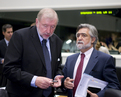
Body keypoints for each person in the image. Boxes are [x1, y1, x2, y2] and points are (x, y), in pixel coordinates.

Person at [3, 8, 64, 97]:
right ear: (37, 22)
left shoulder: (57, 41)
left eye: (52, 26)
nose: (48, 31)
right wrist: (34, 80)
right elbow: (9, 69)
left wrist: (57, 76)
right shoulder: (20, 36)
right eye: (45, 25)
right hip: (23, 94)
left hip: (48, 94)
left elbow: (57, 66)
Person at [62, 24, 121, 97]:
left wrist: (98, 95)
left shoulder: (104, 59)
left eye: (84, 35)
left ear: (93, 39)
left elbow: (114, 85)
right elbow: (63, 81)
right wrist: (65, 83)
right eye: (78, 35)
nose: (79, 38)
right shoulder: (70, 59)